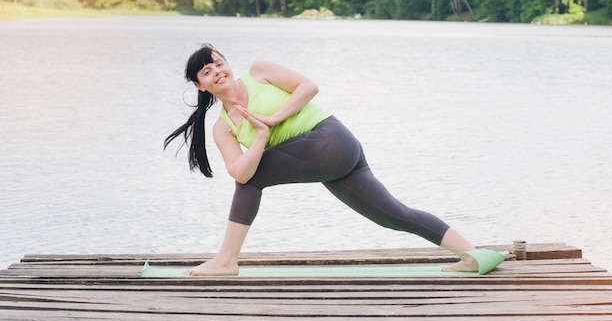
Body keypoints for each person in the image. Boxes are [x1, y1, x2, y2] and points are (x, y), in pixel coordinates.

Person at [165, 44, 480, 276]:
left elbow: (308, 87)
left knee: (254, 177)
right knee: (392, 215)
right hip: (327, 157)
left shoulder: (259, 72)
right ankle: (473, 256)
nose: (218, 72)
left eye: (219, 64)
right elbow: (239, 170)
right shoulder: (223, 127)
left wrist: (273, 120)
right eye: (207, 72)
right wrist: (260, 136)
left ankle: (226, 260)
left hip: (329, 138)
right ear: (199, 85)